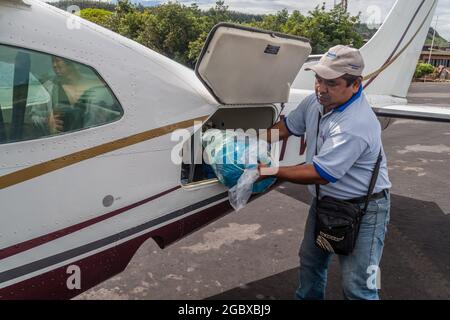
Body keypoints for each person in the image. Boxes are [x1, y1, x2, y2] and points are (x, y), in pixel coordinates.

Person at [258, 45, 392, 300]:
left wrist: (270, 170)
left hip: (365, 209)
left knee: (359, 286)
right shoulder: (315, 101)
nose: (320, 87)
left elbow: (322, 172)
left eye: (331, 82)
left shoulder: (355, 123)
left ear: (355, 85)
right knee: (310, 263)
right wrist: (253, 142)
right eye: (318, 79)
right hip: (325, 203)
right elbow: (288, 127)